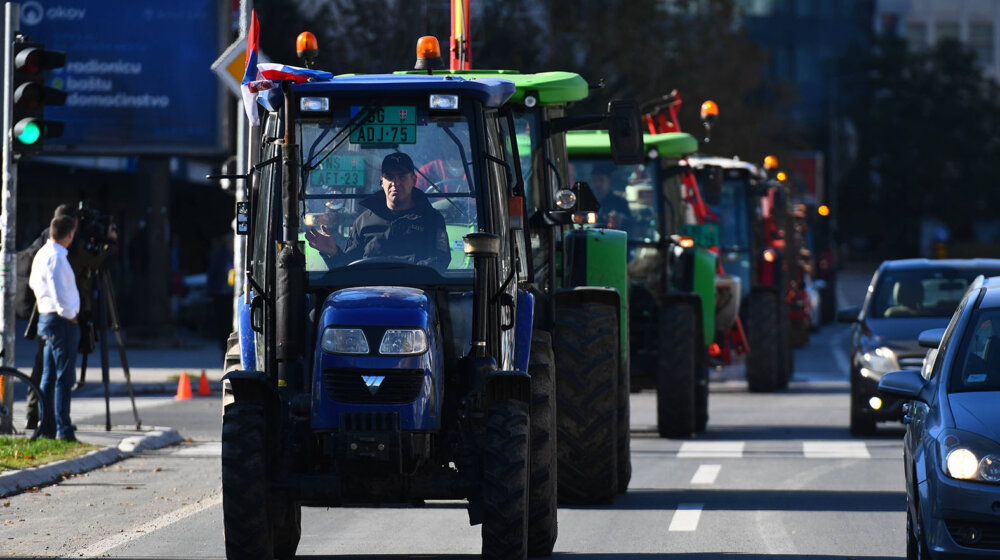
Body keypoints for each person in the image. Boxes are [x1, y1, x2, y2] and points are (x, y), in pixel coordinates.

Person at [304, 152, 451, 269]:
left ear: (414, 180)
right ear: (382, 181)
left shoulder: (431, 219)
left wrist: (402, 279)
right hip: (368, 299)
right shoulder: (363, 222)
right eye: (390, 177)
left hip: (415, 298)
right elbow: (348, 270)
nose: (395, 183)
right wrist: (333, 253)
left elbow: (439, 261)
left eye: (402, 176)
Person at [20, 204, 77, 431]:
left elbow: (34, 283)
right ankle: (61, 427)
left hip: (47, 316)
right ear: (70, 234)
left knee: (48, 374)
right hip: (58, 320)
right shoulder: (56, 257)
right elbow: (58, 291)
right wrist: (69, 314)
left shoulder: (43, 253)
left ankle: (47, 425)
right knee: (63, 377)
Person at [589, 164, 633, 232]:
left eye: (601, 180)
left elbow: (631, 224)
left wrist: (620, 219)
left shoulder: (620, 202)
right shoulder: (585, 201)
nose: (597, 183)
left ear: (608, 181)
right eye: (594, 180)